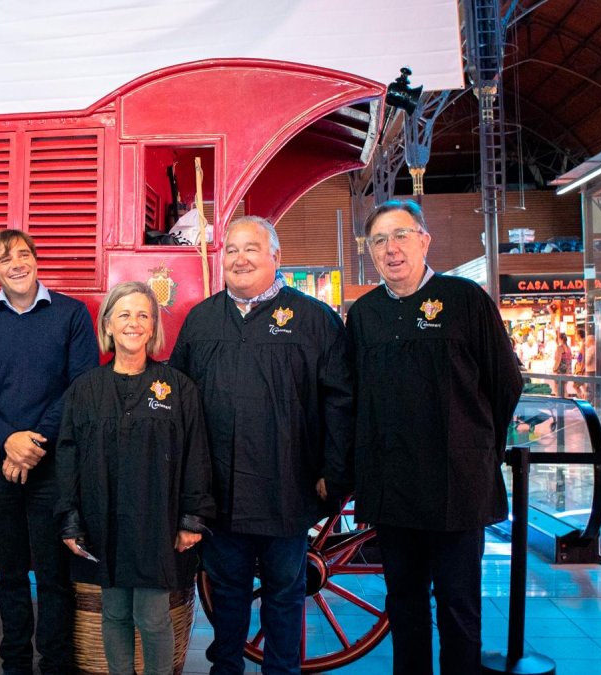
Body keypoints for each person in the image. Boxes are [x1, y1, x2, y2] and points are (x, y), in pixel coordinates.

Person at [168, 215, 353, 675]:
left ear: (276, 256)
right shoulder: (202, 320)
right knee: (224, 594)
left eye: (251, 248)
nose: (240, 258)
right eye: (231, 249)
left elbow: (342, 401)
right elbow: (179, 408)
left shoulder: (313, 320)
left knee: (284, 595)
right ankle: (224, 669)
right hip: (220, 492)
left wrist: (335, 470)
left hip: (287, 490)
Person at [346, 199, 522, 675]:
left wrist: (475, 446)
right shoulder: (363, 315)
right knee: (404, 605)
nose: (391, 248)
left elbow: (504, 382)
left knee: (458, 605)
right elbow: (355, 396)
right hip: (393, 486)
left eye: (401, 235)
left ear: (424, 239)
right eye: (379, 240)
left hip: (456, 485)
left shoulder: (465, 300)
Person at [55, 281, 214, 675]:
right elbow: (68, 457)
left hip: (156, 522)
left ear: (154, 326)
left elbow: (197, 454)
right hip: (102, 519)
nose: (134, 323)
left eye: (143, 315)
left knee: (153, 615)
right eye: (124, 314)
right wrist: (70, 519)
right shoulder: (85, 390)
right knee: (114, 613)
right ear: (107, 323)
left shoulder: (177, 388)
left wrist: (192, 518)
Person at [0, 229, 98, 674]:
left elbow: (79, 385)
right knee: (11, 573)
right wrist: (8, 441)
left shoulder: (72, 315)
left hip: (52, 464)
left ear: (36, 260)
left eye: (23, 255)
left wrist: (32, 443)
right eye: (4, 260)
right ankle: (15, 663)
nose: (16, 264)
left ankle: (55, 663)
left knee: (54, 576)